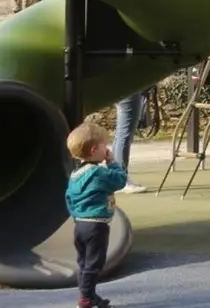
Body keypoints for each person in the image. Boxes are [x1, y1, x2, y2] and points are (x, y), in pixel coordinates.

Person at [65, 121, 128, 308]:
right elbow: (120, 180)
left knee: (84, 263)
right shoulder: (98, 173)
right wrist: (112, 162)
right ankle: (86, 298)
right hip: (96, 226)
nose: (106, 149)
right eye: (104, 146)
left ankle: (89, 295)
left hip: (80, 225)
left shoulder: (75, 175)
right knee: (94, 264)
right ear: (94, 150)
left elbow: (68, 197)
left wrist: (77, 214)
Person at [111, 90, 150, 194]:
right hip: (129, 92)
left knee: (121, 134)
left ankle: (117, 177)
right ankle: (122, 181)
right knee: (124, 134)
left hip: (120, 90)